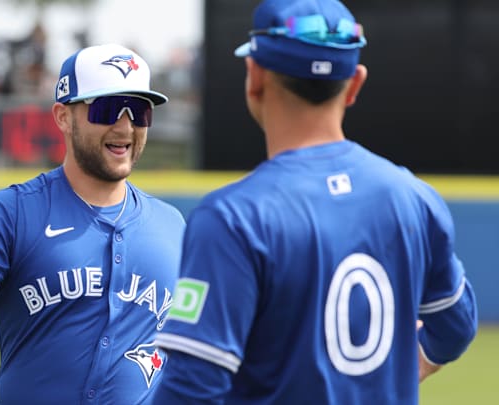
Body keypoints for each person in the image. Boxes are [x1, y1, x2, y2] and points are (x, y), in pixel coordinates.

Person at [152, 0, 478, 403]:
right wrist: (411, 369)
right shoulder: (414, 197)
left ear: (254, 76)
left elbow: (191, 388)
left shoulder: (234, 216)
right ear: (355, 83)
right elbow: (456, 325)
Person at [0, 43, 185, 404]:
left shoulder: (173, 226)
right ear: (62, 117)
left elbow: (193, 334)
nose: (125, 125)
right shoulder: (12, 212)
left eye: (139, 111)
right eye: (105, 108)